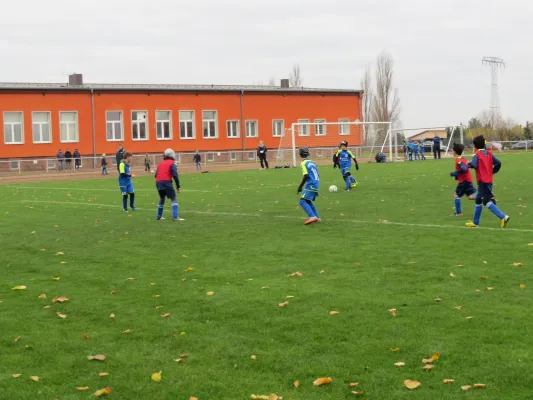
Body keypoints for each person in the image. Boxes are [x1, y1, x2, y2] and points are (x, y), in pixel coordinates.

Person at [465, 135, 510, 228]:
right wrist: (492, 172)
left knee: (485, 201)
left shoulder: (476, 154)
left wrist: (468, 164)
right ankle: (475, 222)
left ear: (475, 146)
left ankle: (503, 216)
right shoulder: (489, 153)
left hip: (482, 181)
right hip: (488, 181)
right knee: (478, 200)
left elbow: (473, 164)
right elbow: (498, 163)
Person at [155, 148, 183, 221]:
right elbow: (175, 175)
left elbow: (155, 175)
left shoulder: (160, 164)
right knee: (174, 198)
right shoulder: (172, 163)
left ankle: (159, 216)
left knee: (162, 198)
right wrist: (178, 186)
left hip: (158, 182)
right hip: (166, 182)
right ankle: (175, 216)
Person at [449, 143, 476, 217]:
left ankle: (459, 213)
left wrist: (454, 173)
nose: (452, 152)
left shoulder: (459, 159)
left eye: (453, 150)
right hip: (467, 180)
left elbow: (464, 169)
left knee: (456, 195)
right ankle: (484, 197)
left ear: (455, 151)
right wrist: (457, 176)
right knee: (470, 196)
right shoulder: (463, 158)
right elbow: (464, 169)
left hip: (464, 181)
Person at [297, 147, 320, 225]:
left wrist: (300, 186)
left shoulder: (303, 163)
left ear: (300, 155)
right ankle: (317, 217)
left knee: (302, 201)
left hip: (311, 184)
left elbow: (306, 175)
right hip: (316, 183)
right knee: (307, 200)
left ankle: (312, 216)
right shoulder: (312, 162)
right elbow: (318, 174)